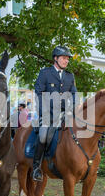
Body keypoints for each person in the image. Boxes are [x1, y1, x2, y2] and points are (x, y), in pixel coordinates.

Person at [32, 46, 77, 182]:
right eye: (64, 58)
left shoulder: (70, 76)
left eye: (68, 59)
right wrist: (44, 113)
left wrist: (73, 108)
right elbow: (38, 94)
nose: (66, 61)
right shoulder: (45, 73)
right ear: (55, 59)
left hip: (64, 114)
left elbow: (74, 94)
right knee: (43, 136)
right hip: (47, 114)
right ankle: (36, 167)